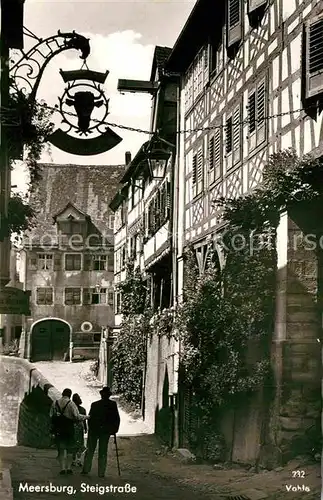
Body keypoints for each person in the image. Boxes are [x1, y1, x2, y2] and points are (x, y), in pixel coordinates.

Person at [82, 386, 120, 478]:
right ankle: (101, 472)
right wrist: (114, 430)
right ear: (109, 395)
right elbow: (116, 419)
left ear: (101, 395)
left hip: (94, 430)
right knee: (103, 451)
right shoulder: (112, 404)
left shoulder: (94, 404)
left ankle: (86, 469)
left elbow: (90, 418)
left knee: (90, 450)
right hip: (105, 431)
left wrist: (90, 428)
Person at [50, 388, 88, 475]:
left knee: (61, 449)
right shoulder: (71, 403)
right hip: (69, 428)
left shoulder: (55, 403)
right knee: (70, 449)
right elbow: (77, 416)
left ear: (62, 393)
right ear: (70, 395)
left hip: (58, 428)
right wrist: (87, 417)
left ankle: (62, 468)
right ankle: (69, 468)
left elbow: (51, 415)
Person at [72, 393, 87, 467]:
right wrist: (85, 428)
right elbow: (84, 420)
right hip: (80, 427)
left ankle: (74, 460)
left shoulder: (72, 408)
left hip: (73, 427)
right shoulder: (83, 409)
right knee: (80, 444)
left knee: (74, 443)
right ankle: (79, 459)